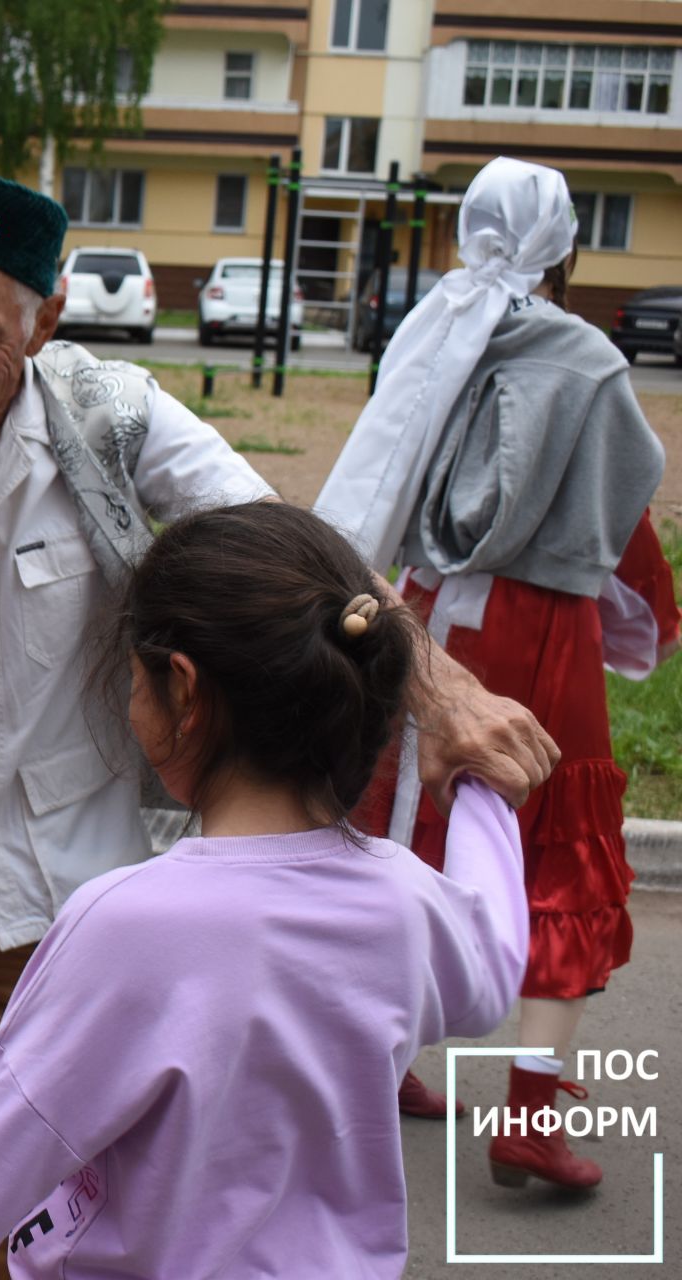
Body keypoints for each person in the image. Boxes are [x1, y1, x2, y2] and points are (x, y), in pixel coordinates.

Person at [0, 166, 559, 1279]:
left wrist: (447, 696)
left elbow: (287, 544)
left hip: (72, 863)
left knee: (92, 1164)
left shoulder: (114, 415)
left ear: (46, 316)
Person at [0, 502, 529, 1279]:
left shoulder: (127, 926)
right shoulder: (406, 903)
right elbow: (496, 958)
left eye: (135, 680)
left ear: (183, 687)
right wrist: (483, 793)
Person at [321, 156, 670, 1189]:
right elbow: (622, 513)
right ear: (562, 247)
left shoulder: (432, 332)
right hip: (542, 629)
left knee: (407, 836)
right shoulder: (586, 359)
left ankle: (381, 1065)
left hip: (422, 614)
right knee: (556, 853)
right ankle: (529, 1109)